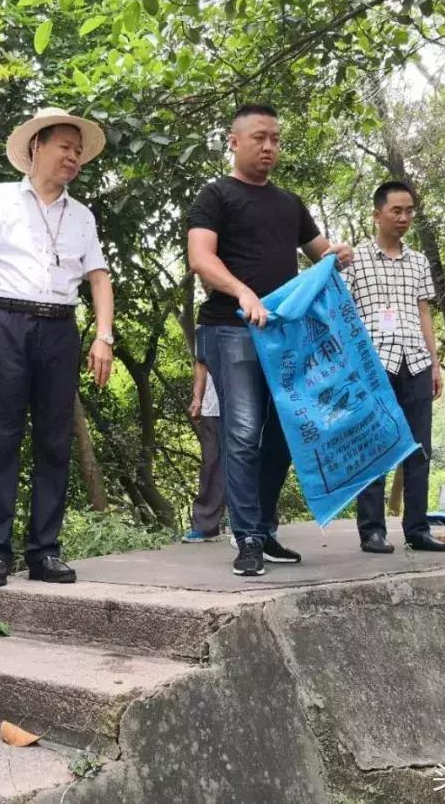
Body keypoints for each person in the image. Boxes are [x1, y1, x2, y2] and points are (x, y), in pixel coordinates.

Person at [187, 103, 353, 577]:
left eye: (276, 139)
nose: (269, 146)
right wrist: (243, 291)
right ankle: (248, 539)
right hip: (230, 328)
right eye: (260, 137)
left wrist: (339, 254)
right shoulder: (215, 196)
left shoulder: (290, 203)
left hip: (286, 335)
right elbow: (201, 257)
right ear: (234, 141)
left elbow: (322, 256)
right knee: (242, 432)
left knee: (285, 433)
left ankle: (262, 526)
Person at [0, 108, 115, 589]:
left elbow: (99, 278)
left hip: (59, 328)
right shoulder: (1, 199)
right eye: (64, 146)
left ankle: (45, 550)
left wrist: (104, 335)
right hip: (6, 321)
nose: (73, 157)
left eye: (78, 150)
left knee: (54, 439)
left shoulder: (82, 215)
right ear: (37, 148)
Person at [344, 181, 445, 554]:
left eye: (409, 211)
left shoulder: (419, 261)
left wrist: (435, 363)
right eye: (396, 211)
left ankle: (418, 529)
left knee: (418, 449)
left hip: (415, 361)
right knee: (374, 446)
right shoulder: (354, 259)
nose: (404, 218)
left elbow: (424, 312)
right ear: (377, 214)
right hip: (374, 363)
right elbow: (343, 314)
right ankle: (372, 530)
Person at [181, 358, 226, 543]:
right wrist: (197, 398)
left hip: (247, 401)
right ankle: (206, 526)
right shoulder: (204, 329)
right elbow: (201, 362)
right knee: (212, 462)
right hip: (213, 404)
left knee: (254, 457)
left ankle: (263, 526)